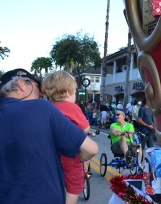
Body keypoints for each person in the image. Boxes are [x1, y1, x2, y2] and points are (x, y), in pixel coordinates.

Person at [0, 68, 98, 204]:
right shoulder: (41, 108)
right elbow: (91, 148)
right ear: (22, 85)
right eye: (37, 87)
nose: (41, 93)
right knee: (74, 183)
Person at [41, 70, 94, 204]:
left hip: (49, 155)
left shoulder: (46, 107)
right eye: (75, 92)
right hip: (69, 155)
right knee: (73, 184)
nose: (75, 95)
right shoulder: (72, 108)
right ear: (67, 92)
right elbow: (85, 128)